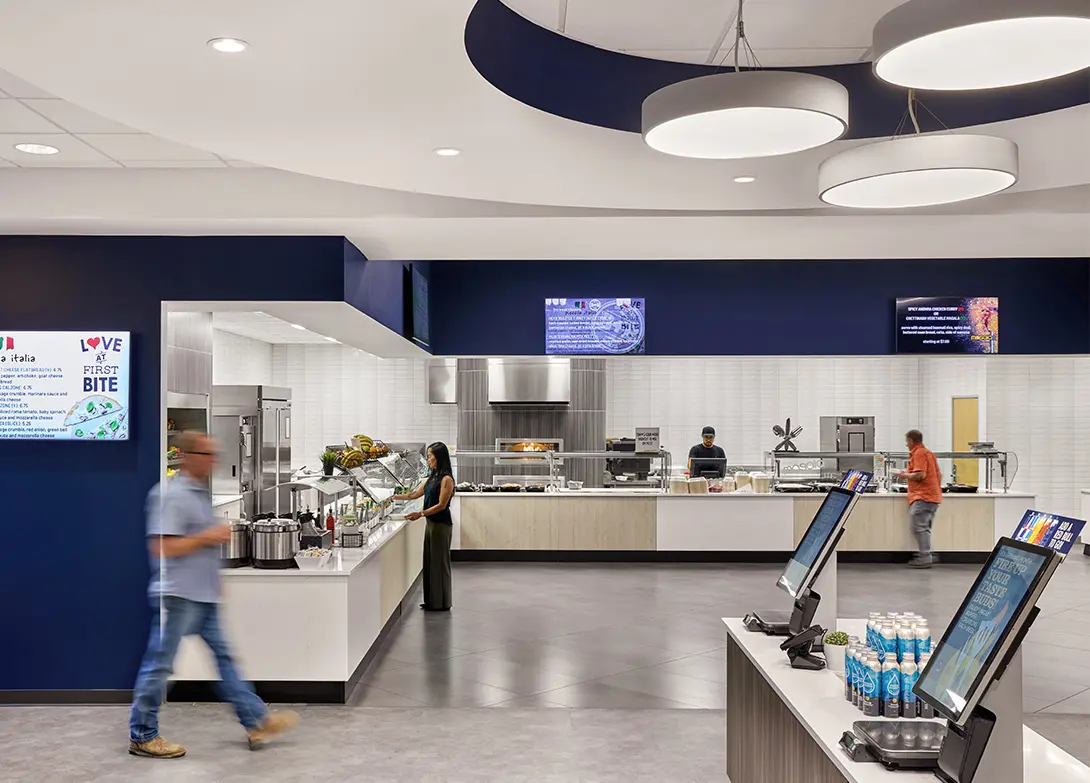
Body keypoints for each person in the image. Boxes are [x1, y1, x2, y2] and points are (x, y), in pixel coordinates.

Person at [129, 432, 298, 759]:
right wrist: (209, 536)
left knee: (225, 659)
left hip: (203, 595)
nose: (213, 461)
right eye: (208, 455)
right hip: (178, 597)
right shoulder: (171, 496)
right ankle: (142, 734)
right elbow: (164, 546)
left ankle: (256, 721)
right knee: (159, 666)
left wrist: (213, 577)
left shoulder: (197, 494)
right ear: (190, 457)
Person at [393, 442, 456, 612]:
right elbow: (414, 494)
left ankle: (442, 602)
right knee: (430, 561)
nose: (428, 460)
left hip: (441, 525)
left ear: (439, 458)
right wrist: (392, 497)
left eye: (430, 456)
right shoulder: (432, 477)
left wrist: (420, 514)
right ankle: (431, 601)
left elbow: (442, 505)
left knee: (439, 563)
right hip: (431, 524)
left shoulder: (447, 479)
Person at [895, 429, 943, 569]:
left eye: (907, 442)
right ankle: (928, 553)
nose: (906, 445)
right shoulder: (929, 453)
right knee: (925, 527)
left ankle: (925, 556)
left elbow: (920, 475)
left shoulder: (919, 453)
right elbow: (938, 474)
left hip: (923, 496)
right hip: (933, 496)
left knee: (919, 527)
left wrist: (904, 475)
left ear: (911, 441)